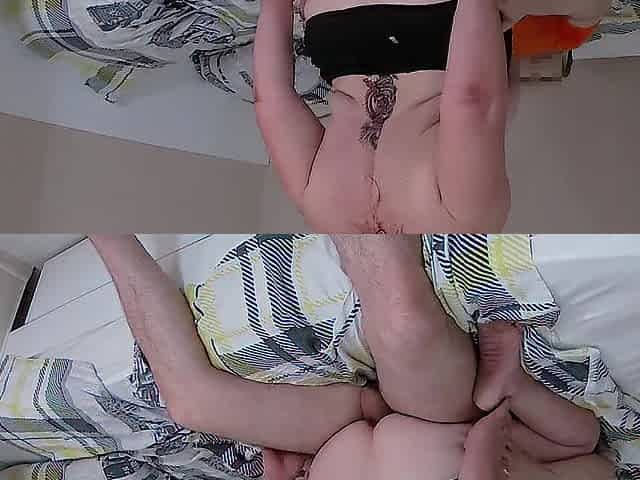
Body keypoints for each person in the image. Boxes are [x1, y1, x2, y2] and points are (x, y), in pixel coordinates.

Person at [89, 234, 615, 480]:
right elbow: (590, 456)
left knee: (192, 405)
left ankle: (107, 234)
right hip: (440, 418)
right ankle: (361, 152)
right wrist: (497, 426)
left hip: (332, 441)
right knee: (404, 322)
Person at [254, 0, 611, 233]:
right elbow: (269, 99)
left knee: (590, 9)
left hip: (434, 23)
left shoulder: (461, 224)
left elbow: (471, 103)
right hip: (332, 23)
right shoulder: (320, 214)